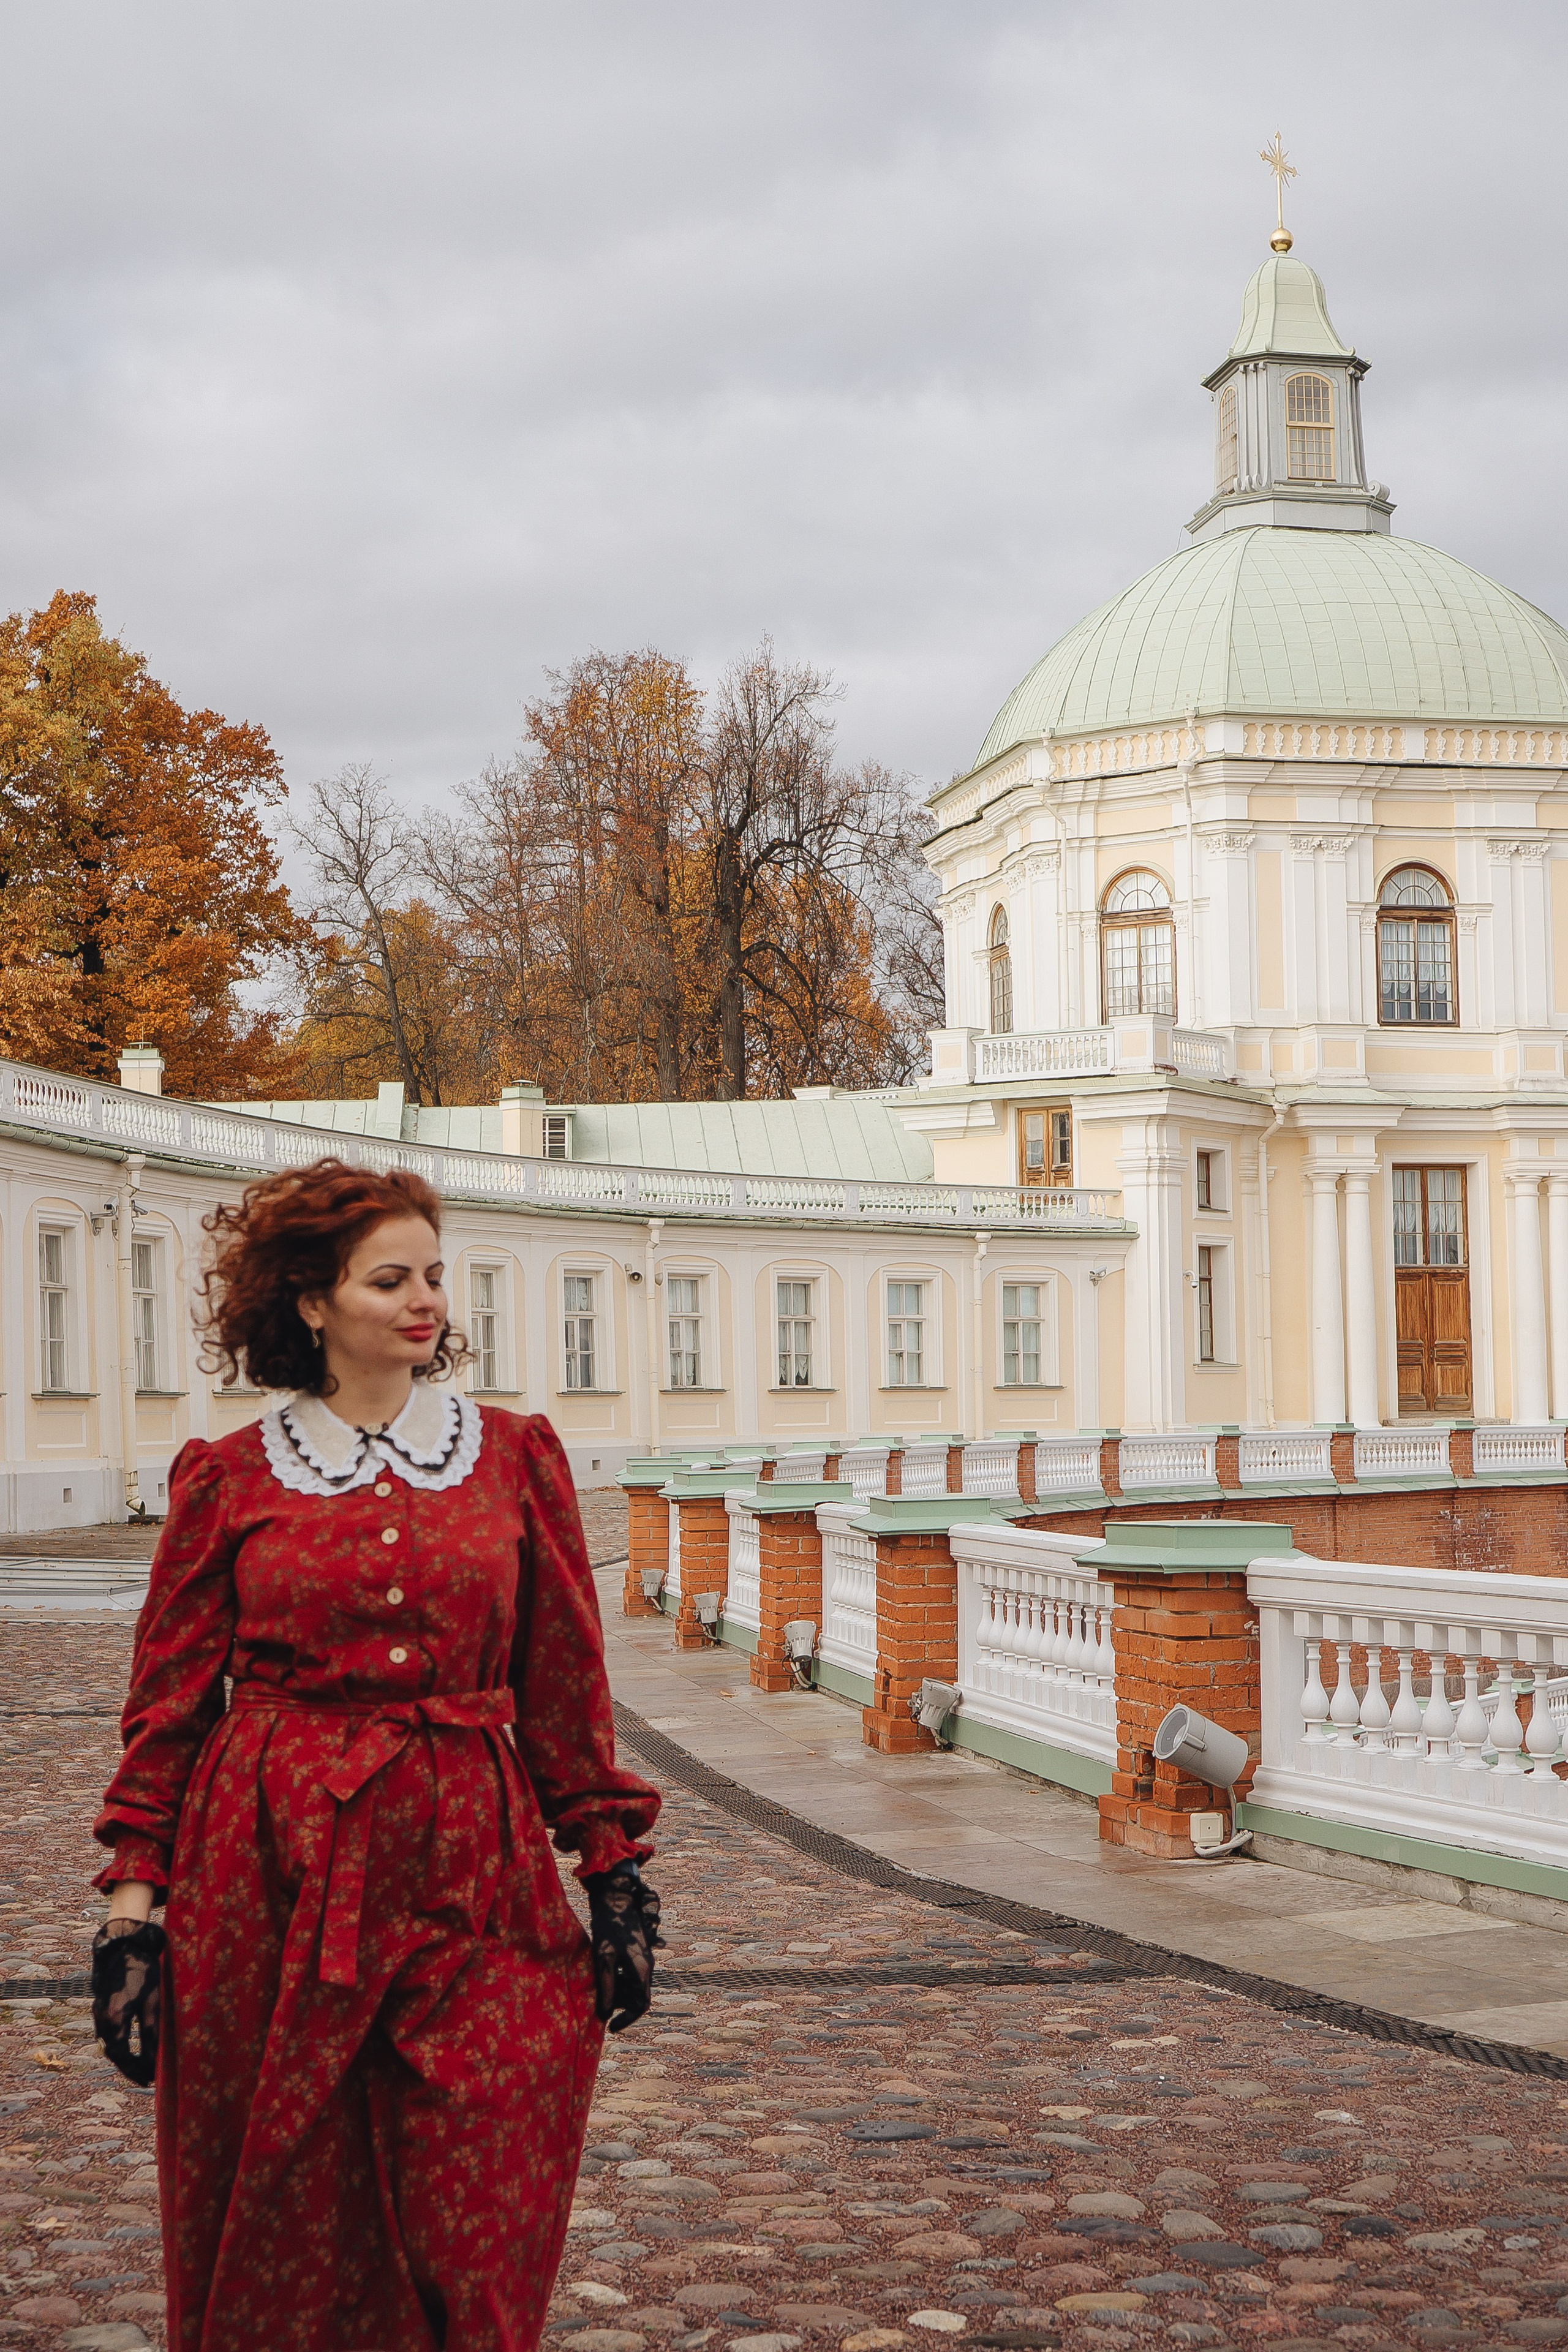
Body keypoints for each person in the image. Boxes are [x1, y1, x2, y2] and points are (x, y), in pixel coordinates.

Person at [91, 1158, 661, 2352]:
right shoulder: (231, 1480)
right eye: (390, 1278)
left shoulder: (513, 1459)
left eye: (434, 1278)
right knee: (296, 2202)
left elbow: (562, 1686)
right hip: (271, 1877)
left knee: (482, 2196)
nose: (425, 1302)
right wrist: (134, 1916)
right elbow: (171, 1708)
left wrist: (611, 1873)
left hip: (477, 1867)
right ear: (311, 1301)